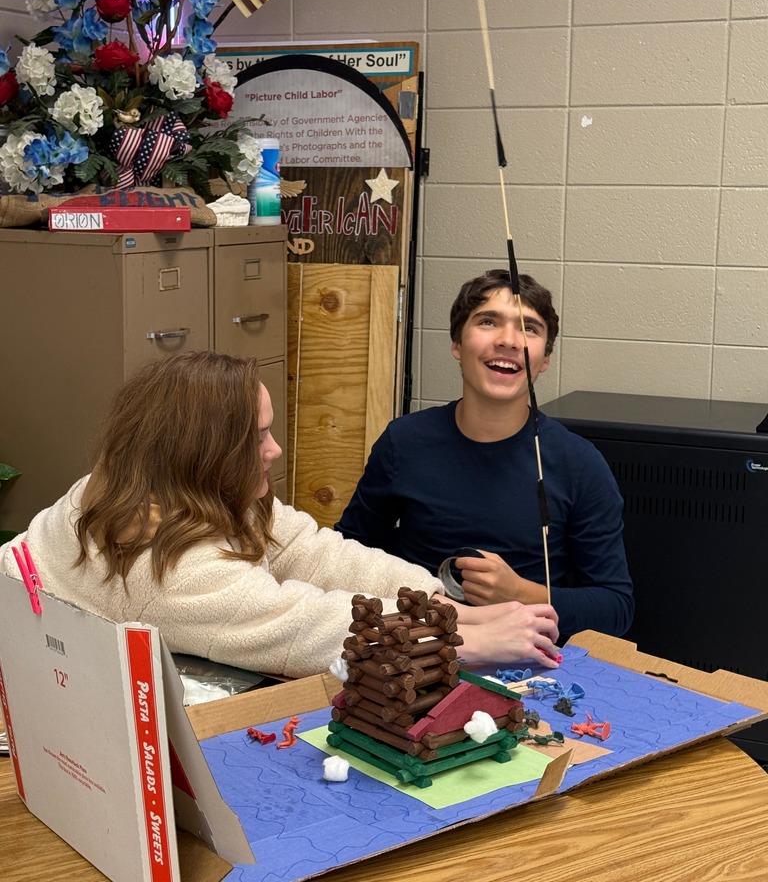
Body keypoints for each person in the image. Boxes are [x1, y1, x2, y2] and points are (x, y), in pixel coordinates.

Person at [0, 349, 561, 678]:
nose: (275, 450)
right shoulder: (158, 562)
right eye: (258, 437)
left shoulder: (165, 481)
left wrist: (438, 602)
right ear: (204, 454)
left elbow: (312, 552)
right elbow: (301, 626)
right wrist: (459, 636)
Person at [337, 269, 634, 641]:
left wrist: (520, 593)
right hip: (416, 649)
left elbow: (616, 608)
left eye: (529, 328)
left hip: (528, 659)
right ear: (457, 344)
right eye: (488, 322)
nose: (508, 340)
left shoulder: (579, 464)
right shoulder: (404, 441)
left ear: (544, 359)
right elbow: (345, 558)